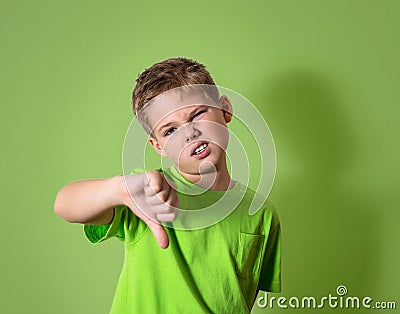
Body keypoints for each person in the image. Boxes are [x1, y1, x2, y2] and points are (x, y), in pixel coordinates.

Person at [54, 57, 281, 314]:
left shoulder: (261, 213)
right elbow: (65, 203)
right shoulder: (146, 194)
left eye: (197, 114)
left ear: (225, 109)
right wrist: (118, 189)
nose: (189, 133)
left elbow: (241, 299)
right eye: (170, 130)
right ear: (158, 146)